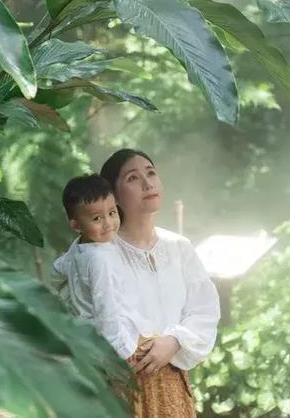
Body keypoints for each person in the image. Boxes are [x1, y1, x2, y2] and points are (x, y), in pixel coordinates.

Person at [99, 148, 221, 417]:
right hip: (118, 388)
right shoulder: (100, 254)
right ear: (113, 195)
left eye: (151, 173)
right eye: (133, 178)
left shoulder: (179, 247)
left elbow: (205, 309)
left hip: (171, 388)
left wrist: (175, 341)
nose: (147, 183)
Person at [53, 174, 141, 359]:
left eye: (112, 213)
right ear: (76, 225)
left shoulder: (78, 246)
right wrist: (122, 353)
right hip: (108, 343)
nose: (108, 224)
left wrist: (69, 295)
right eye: (97, 218)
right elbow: (106, 310)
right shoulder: (99, 259)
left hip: (84, 335)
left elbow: (57, 271)